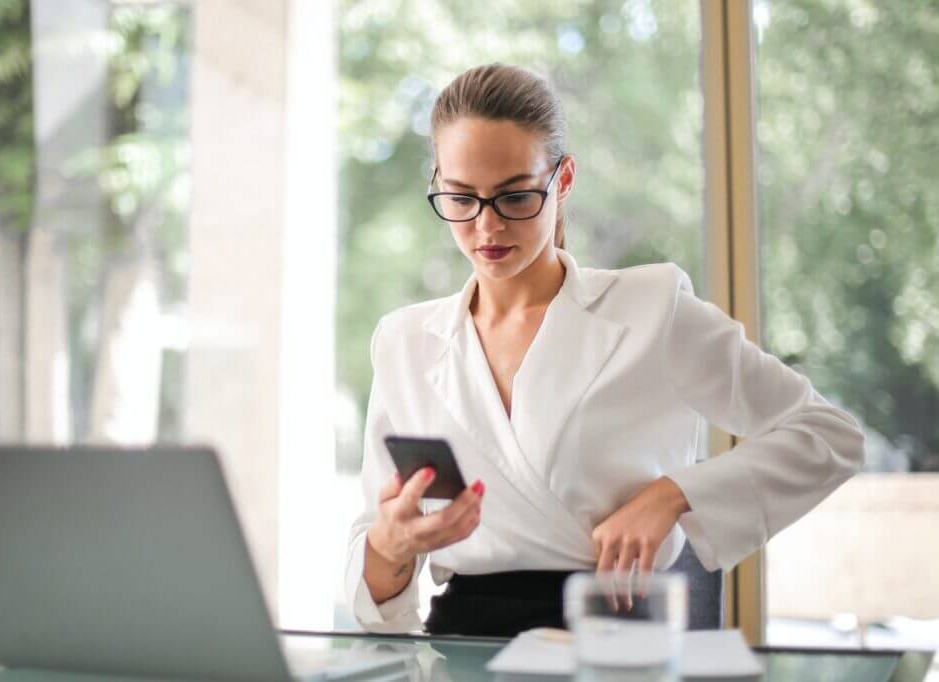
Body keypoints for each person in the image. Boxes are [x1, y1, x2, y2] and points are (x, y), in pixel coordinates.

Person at [344, 63, 864, 637]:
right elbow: (375, 570)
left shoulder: (651, 309)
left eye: (515, 195)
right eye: (461, 197)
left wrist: (675, 494)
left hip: (615, 642)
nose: (486, 225)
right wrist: (388, 547)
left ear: (562, 179)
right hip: (463, 647)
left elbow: (828, 434)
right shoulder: (405, 343)